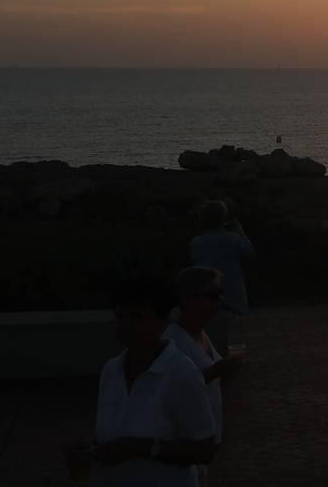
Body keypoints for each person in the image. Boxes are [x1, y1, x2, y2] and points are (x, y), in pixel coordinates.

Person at [92, 278, 218, 486]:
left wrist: (138, 448)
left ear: (163, 322)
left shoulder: (182, 373)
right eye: (120, 316)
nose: (125, 325)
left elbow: (204, 450)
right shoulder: (111, 370)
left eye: (137, 317)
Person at [165, 268, 247, 485]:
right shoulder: (172, 342)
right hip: (185, 446)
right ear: (186, 300)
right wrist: (216, 371)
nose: (218, 301)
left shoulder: (200, 334)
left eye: (219, 294)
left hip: (203, 444)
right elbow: (169, 390)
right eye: (211, 296)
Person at [189, 200, 254, 354]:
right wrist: (241, 232)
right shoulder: (233, 239)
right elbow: (250, 254)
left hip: (204, 296)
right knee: (226, 345)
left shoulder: (196, 243)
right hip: (230, 298)